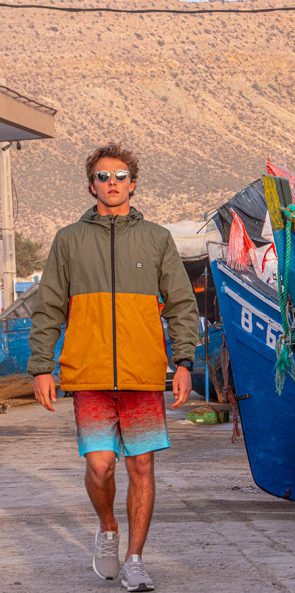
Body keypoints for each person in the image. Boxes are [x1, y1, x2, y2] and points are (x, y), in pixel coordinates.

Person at [28, 143, 198, 592]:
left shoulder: (157, 239)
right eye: (103, 176)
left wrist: (184, 361)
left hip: (143, 374)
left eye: (120, 175)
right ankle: (108, 529)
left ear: (133, 183)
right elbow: (49, 307)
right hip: (89, 373)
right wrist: (41, 367)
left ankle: (135, 559)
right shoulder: (69, 240)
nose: (112, 183)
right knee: (101, 466)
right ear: (91, 186)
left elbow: (181, 304)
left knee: (141, 465)